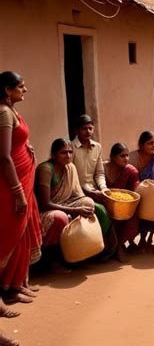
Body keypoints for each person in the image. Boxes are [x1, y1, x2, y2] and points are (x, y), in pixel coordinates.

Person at [0, 71, 42, 313]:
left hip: (22, 178)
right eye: (21, 87)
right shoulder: (4, 112)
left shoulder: (11, 110)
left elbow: (15, 141)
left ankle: (16, 284)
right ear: (8, 90)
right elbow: (4, 157)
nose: (25, 90)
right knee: (10, 235)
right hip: (10, 185)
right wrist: (17, 193)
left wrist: (27, 146)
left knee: (23, 230)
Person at [36, 138, 96, 272]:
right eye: (63, 153)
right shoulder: (46, 169)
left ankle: (78, 255)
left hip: (65, 203)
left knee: (88, 203)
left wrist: (79, 207)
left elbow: (76, 194)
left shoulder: (70, 167)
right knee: (60, 217)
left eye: (70, 152)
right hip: (45, 210)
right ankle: (53, 261)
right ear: (53, 154)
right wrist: (74, 210)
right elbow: (45, 203)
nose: (68, 156)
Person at [72, 115, 114, 254]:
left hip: (94, 190)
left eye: (90, 128)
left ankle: (108, 247)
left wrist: (103, 188)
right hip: (76, 193)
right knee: (100, 210)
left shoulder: (97, 147)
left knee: (114, 206)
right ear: (76, 130)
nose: (88, 131)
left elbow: (99, 173)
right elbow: (70, 176)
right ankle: (108, 247)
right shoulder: (70, 148)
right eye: (84, 129)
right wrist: (87, 190)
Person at [104, 143, 140, 260]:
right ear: (112, 157)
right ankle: (111, 247)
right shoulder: (102, 170)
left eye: (127, 155)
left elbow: (135, 189)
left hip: (123, 206)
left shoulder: (130, 171)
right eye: (122, 156)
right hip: (105, 204)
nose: (126, 159)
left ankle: (119, 244)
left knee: (134, 215)